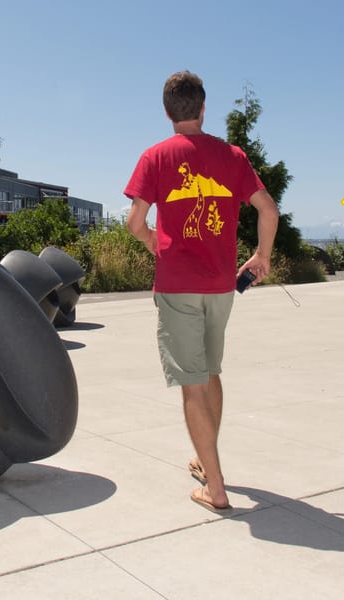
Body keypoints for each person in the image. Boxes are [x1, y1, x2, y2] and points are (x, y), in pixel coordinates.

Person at [123, 71, 278, 512]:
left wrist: (153, 241)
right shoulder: (232, 156)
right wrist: (261, 256)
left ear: (168, 112)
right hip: (220, 286)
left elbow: (135, 223)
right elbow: (268, 210)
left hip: (177, 286)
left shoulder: (155, 157)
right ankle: (205, 457)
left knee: (191, 385)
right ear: (204, 108)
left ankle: (216, 487)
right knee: (210, 373)